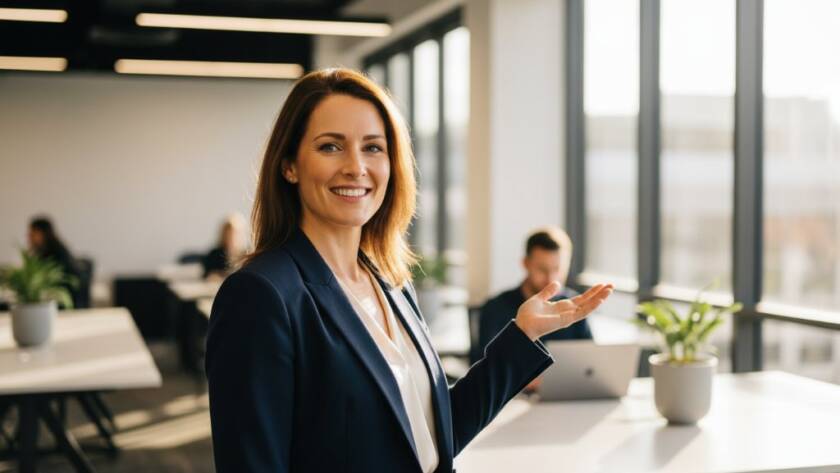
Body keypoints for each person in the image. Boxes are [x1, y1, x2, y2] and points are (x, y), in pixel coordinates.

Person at [205, 68, 613, 473]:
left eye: (373, 148)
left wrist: (523, 337)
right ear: (289, 165)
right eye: (330, 147)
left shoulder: (390, 284)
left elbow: (432, 436)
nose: (356, 167)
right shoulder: (262, 295)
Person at [27, 216, 82, 307]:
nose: (29, 236)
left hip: (62, 300)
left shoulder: (53, 253)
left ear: (41, 233)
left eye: (32, 233)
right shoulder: (49, 249)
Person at [202, 213, 247, 279]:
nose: (231, 238)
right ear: (223, 235)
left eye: (234, 234)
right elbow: (207, 275)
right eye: (228, 234)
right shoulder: (214, 255)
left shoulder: (246, 255)